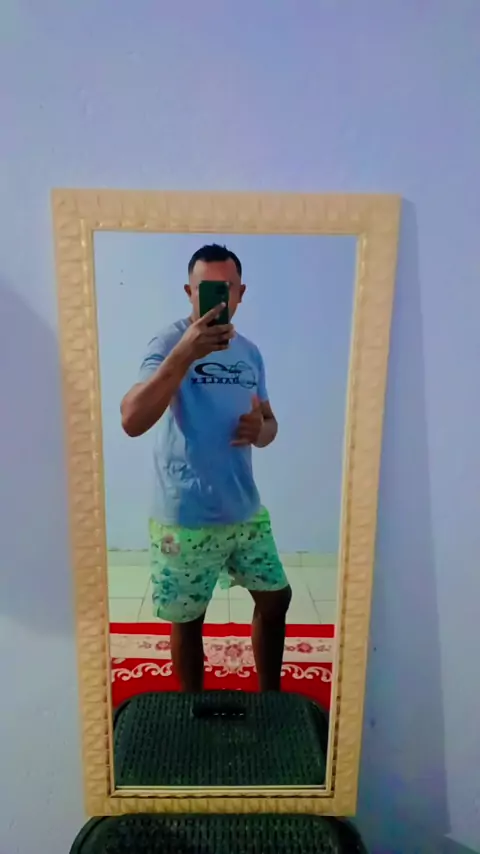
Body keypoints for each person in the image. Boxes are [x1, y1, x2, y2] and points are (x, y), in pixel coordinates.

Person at [121, 244, 292, 692]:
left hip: (244, 510)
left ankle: (271, 701)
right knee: (189, 619)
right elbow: (132, 420)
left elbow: (270, 426)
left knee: (276, 600)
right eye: (206, 289)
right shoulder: (168, 342)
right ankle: (192, 711)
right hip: (186, 517)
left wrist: (260, 428)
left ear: (240, 293)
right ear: (189, 292)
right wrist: (185, 354)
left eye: (226, 288)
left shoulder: (250, 353)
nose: (218, 299)